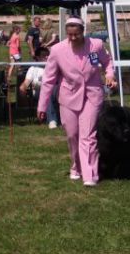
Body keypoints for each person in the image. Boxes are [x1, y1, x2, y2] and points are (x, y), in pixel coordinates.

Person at [37, 16, 115, 187]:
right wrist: (42, 105)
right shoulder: (57, 50)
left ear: (83, 32)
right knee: (72, 135)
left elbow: (107, 62)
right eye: (69, 34)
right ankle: (75, 166)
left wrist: (109, 75)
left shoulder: (96, 45)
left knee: (88, 135)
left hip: (92, 94)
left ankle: (90, 175)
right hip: (68, 97)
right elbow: (48, 80)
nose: (72, 38)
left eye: (76, 35)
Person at [20, 47, 59, 128]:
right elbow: (26, 83)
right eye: (44, 55)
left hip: (56, 90)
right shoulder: (33, 69)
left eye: (48, 55)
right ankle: (52, 120)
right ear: (38, 57)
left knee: (50, 91)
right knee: (46, 92)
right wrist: (22, 88)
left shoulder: (54, 67)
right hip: (39, 91)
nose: (47, 57)